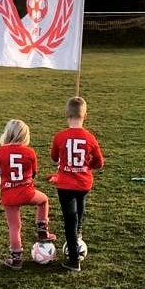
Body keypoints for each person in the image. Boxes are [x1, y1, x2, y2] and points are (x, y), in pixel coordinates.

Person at [50, 96, 105, 272]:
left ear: (66, 114)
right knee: (80, 208)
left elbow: (54, 158)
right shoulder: (90, 138)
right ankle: (79, 231)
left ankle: (73, 259)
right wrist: (86, 165)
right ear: (85, 115)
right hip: (83, 183)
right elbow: (99, 163)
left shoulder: (60, 136)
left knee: (69, 221)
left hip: (65, 184)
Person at [0, 119, 56, 270]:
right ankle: (42, 231)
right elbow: (33, 173)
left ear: (7, 134)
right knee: (43, 200)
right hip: (27, 192)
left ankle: (16, 259)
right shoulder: (29, 152)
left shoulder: (1, 151)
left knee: (14, 227)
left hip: (9, 194)